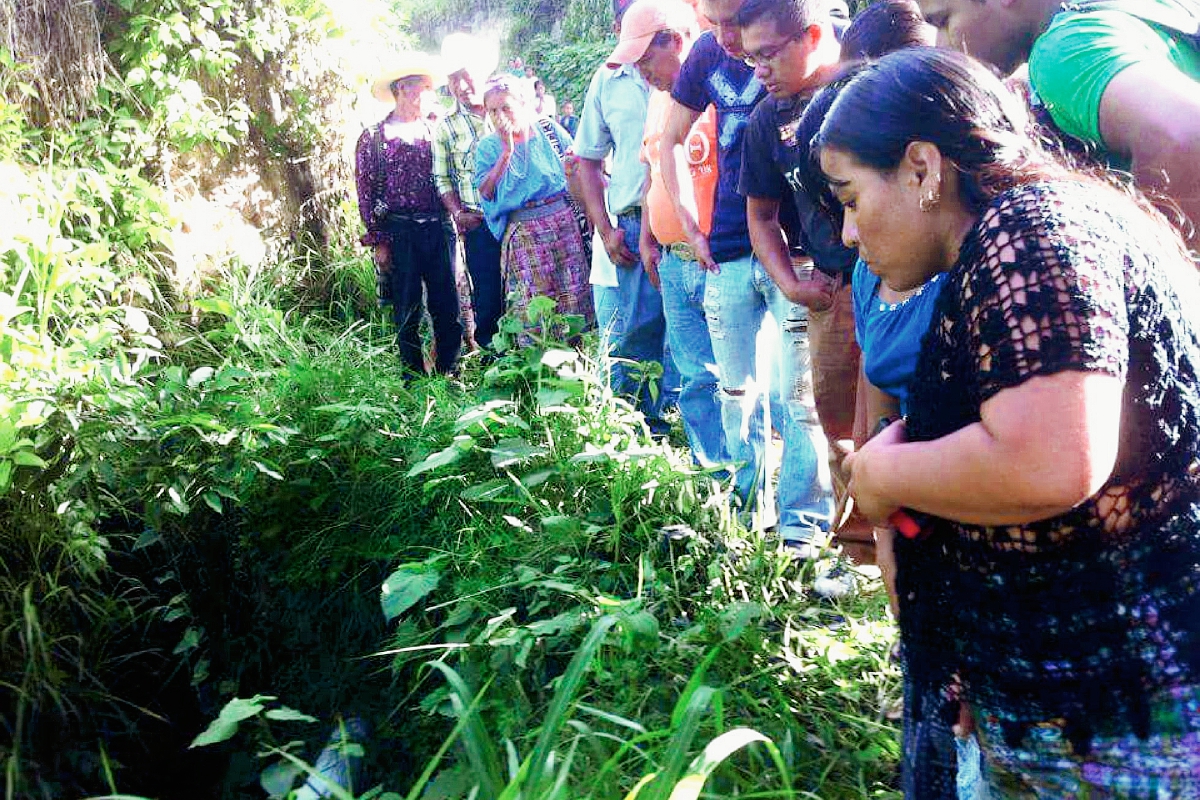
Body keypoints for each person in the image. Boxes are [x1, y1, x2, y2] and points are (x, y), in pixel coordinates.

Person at [821, 47, 1200, 796]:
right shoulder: (1020, 232)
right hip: (1074, 702)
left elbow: (1046, 461)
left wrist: (878, 476)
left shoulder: (1027, 231)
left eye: (850, 197)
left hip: (1127, 722)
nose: (847, 235)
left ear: (924, 170)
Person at [662, 0, 831, 550]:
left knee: (799, 397)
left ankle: (802, 530)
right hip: (732, 244)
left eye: (733, 22)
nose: (727, 38)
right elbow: (670, 140)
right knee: (736, 391)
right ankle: (743, 513)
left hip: (806, 251)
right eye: (714, 24)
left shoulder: (816, 46)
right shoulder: (708, 55)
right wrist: (689, 221)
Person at [915, 0, 1200, 242]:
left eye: (943, 20)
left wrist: (1171, 285)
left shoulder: (1062, 52)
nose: (941, 46)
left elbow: (1185, 136)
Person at [612, 0, 727, 468]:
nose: (643, 76)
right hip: (673, 260)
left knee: (740, 381)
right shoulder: (662, 98)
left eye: (645, 63)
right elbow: (651, 172)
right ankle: (712, 477)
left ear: (675, 41)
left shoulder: (722, 82)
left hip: (720, 257)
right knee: (697, 379)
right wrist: (647, 237)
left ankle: (750, 490)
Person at [577, 0, 679, 436]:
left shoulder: (689, 70)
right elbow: (586, 159)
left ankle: (686, 432)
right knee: (631, 339)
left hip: (688, 223)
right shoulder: (606, 79)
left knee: (686, 342)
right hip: (631, 225)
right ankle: (634, 438)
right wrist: (604, 229)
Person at [355, 56, 462, 377]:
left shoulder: (435, 130)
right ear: (403, 90)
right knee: (407, 308)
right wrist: (379, 241)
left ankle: (450, 371)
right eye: (423, 89)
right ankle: (413, 377)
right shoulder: (373, 138)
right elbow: (366, 192)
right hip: (399, 233)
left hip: (438, 228)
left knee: (447, 305)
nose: (429, 95)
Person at [473, 76, 595, 330]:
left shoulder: (546, 130)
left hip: (563, 223)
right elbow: (485, 192)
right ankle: (537, 364)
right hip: (524, 232)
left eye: (506, 107)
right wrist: (506, 153)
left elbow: (576, 165)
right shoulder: (487, 147)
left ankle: (574, 361)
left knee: (572, 297)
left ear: (522, 104)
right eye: (493, 111)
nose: (499, 116)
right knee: (533, 305)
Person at [433, 34, 504, 353]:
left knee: (532, 294)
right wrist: (458, 213)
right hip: (479, 224)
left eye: (465, 75)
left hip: (520, 221)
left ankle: (541, 369)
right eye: (453, 79)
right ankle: (497, 371)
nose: (461, 86)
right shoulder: (447, 127)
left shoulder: (505, 107)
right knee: (487, 299)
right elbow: (442, 177)